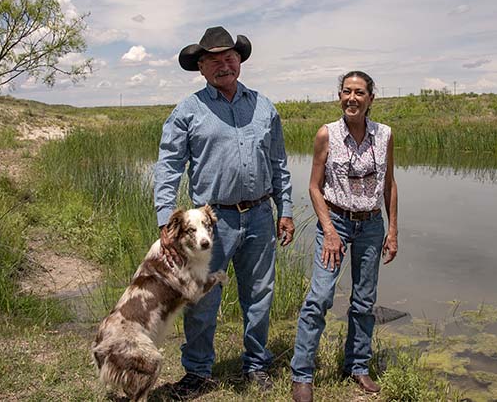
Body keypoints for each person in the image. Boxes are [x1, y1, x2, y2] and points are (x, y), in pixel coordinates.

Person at [154, 26, 295, 398]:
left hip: (261, 215)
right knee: (201, 300)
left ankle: (256, 366)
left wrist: (287, 209)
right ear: (200, 67)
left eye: (230, 57)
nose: (224, 65)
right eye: (214, 60)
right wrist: (165, 223)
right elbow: (168, 167)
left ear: (240, 61)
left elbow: (279, 162)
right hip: (210, 223)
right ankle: (198, 373)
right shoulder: (188, 111)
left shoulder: (264, 107)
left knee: (260, 294)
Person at [290, 71, 398, 402]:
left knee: (364, 300)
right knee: (320, 297)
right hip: (335, 219)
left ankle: (358, 366)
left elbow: (389, 184)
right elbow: (313, 186)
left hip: (371, 223)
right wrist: (330, 230)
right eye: (347, 92)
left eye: (360, 93)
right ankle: (302, 374)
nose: (352, 98)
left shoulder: (385, 135)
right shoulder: (327, 134)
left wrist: (392, 229)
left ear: (371, 99)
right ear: (340, 96)